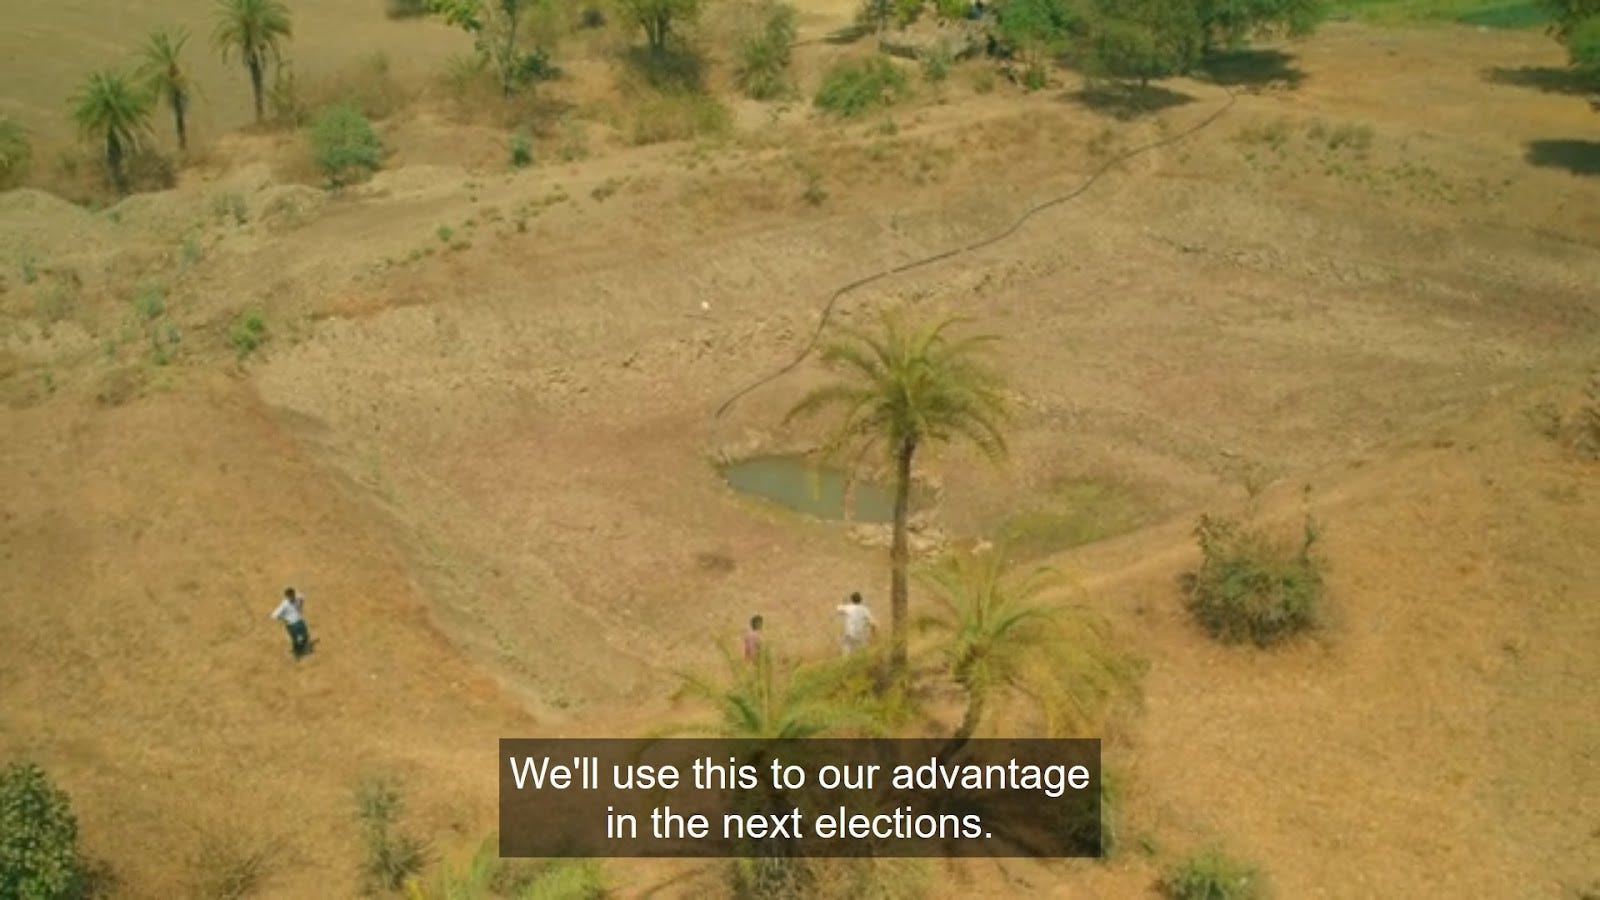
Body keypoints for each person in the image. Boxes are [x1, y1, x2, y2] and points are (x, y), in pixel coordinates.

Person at [271, 587, 311, 659]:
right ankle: (297, 654)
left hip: (299, 621)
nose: (292, 597)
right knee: (295, 639)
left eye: (293, 595)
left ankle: (303, 649)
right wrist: (284, 618)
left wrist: (300, 607)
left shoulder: (297, 597)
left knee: (305, 635)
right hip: (291, 625)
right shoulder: (284, 605)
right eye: (290, 596)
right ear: (287, 597)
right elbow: (274, 615)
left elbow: (302, 598)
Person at [836, 592, 877, 656]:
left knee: (847, 653)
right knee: (862, 653)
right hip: (860, 636)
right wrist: (874, 633)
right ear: (861, 600)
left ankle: (846, 661)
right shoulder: (865, 610)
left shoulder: (848, 608)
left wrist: (844, 601)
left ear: (851, 600)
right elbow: (873, 623)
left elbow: (838, 608)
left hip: (849, 635)